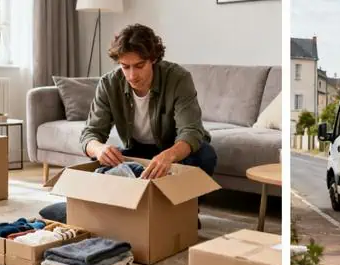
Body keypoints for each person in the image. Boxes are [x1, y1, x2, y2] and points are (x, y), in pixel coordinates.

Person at [39, 24, 217, 226]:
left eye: (139, 66)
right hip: (139, 151)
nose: (132, 76)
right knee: (108, 165)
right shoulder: (109, 84)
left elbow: (191, 132)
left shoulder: (178, 78)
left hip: (174, 151)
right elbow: (90, 134)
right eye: (125, 67)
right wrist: (99, 149)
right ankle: (109, 209)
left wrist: (168, 156)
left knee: (206, 154)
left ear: (153, 59)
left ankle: (182, 211)